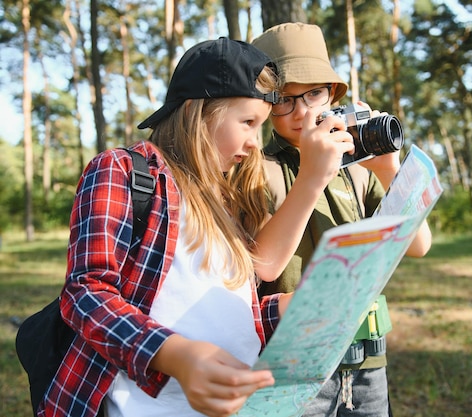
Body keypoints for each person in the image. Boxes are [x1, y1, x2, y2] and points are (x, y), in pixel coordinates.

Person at [42, 38, 294, 417]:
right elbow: (85, 292)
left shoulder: (226, 200)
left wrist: (294, 310)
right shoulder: (122, 172)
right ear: (199, 111)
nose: (255, 144)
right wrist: (176, 355)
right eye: (247, 122)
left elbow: (223, 314)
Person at [252, 22, 433, 417]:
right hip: (292, 364)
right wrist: (311, 176)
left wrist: (388, 168)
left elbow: (418, 245)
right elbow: (262, 264)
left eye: (314, 93)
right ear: (264, 104)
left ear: (332, 93)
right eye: (285, 99)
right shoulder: (256, 169)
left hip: (365, 359)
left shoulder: (357, 170)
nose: (303, 112)